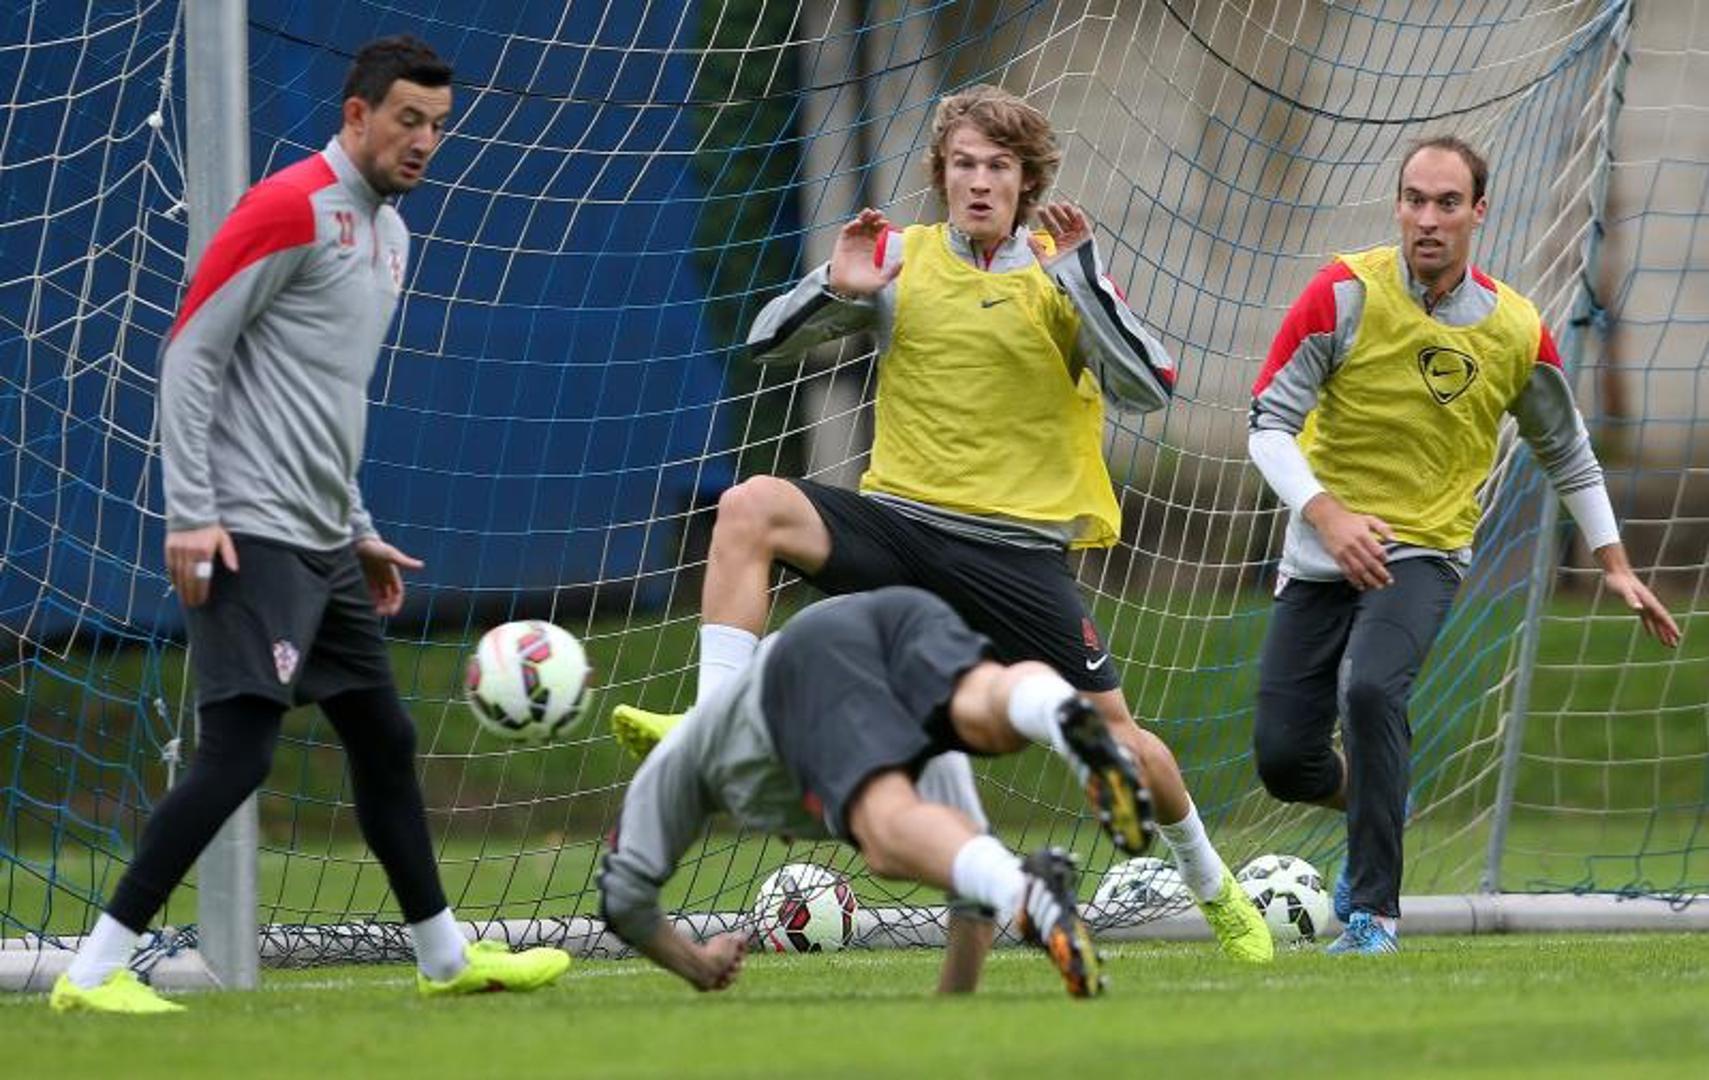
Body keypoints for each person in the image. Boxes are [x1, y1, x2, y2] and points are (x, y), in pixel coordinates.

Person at [611, 84, 1272, 964]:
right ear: (942, 174)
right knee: (749, 505)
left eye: (997, 166)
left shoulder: (1059, 273)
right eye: (963, 164)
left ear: (1027, 179)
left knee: (1120, 744)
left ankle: (1212, 885)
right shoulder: (901, 257)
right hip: (900, 531)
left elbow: (1148, 389)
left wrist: (1080, 279)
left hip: (1014, 555)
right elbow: (765, 343)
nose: (978, 181)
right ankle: (707, 725)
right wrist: (831, 287)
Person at [50, 36, 570, 1014]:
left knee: (383, 737)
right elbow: (190, 353)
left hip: (324, 540)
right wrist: (191, 515)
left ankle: (445, 960)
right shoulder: (287, 207)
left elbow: (322, 399)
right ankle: (92, 972)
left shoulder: (392, 236)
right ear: (356, 115)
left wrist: (356, 526)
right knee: (238, 756)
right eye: (407, 120)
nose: (424, 142)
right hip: (249, 532)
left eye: (437, 126)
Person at [1248, 135, 1681, 955]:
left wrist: (1614, 564)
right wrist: (1326, 514)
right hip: (1320, 547)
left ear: (1478, 212)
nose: (1427, 218)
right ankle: (1381, 796)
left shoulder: (1513, 328)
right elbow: (1266, 423)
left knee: (1370, 690)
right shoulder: (1339, 293)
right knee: (1283, 759)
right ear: (1397, 206)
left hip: (1424, 550)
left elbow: (1568, 453)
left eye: (1446, 203)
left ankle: (1372, 913)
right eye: (1414, 199)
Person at [601, 585, 1157, 998]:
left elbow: (623, 899)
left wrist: (698, 967)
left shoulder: (687, 759)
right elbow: (969, 882)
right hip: (897, 610)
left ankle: (1028, 892)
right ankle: (1056, 711)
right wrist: (952, 1006)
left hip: (810, 656)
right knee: (983, 707)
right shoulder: (902, 742)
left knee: (885, 837)